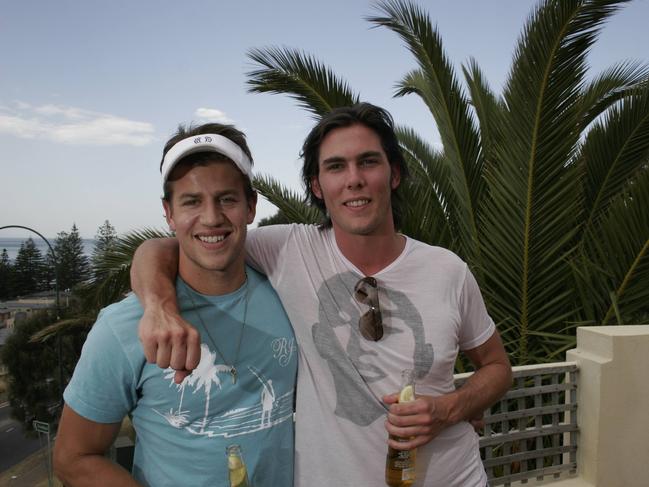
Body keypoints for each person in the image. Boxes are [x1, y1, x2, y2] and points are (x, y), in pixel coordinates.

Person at [132, 103, 512, 486]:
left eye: (368, 162)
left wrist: (450, 408)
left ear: (393, 174)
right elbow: (166, 247)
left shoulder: (447, 271)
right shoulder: (288, 250)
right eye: (335, 167)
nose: (354, 180)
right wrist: (159, 307)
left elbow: (497, 368)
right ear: (316, 185)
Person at [53, 123, 297, 487]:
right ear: (168, 213)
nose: (212, 217)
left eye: (227, 199)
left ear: (251, 206)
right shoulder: (124, 325)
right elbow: (73, 457)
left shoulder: (290, 292)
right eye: (191, 201)